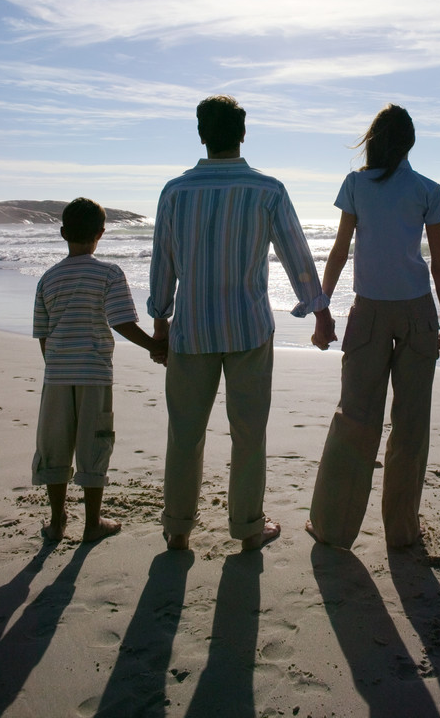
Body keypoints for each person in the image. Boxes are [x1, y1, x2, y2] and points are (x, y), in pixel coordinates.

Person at [148, 94, 334, 552]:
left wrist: (160, 319)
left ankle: (178, 529)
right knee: (249, 433)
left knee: (184, 433)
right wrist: (319, 311)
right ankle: (248, 528)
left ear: (201, 135)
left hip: (192, 329)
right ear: (243, 133)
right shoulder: (266, 189)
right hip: (248, 327)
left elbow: (163, 262)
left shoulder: (175, 191)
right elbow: (296, 253)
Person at [306, 104, 440, 551]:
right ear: (410, 143)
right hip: (417, 312)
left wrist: (322, 308)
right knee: (411, 425)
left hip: (369, 311)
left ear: (373, 140)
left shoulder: (356, 185)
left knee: (355, 418)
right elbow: (439, 264)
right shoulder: (427, 188)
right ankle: (402, 532)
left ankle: (333, 528)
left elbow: (339, 250)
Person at [32, 197, 164, 543]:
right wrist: (155, 347)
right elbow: (121, 321)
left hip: (57, 375)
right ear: (101, 234)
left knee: (54, 444)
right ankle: (92, 523)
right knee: (95, 442)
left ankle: (57, 521)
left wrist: (55, 365)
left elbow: (43, 333)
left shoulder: (48, 278)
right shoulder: (108, 273)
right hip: (93, 372)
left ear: (63, 233)